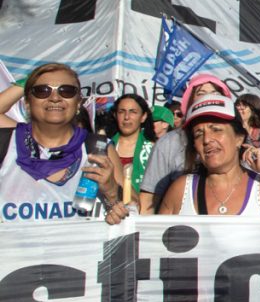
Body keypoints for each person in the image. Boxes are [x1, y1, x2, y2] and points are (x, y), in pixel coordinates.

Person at [136, 95, 260, 219]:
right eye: (199, 134)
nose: (207, 139)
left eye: (217, 130)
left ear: (239, 138)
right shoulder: (180, 190)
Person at [0, 63, 124, 223]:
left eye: (66, 91)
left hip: (80, 247)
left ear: (78, 102)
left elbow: (133, 213)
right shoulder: (7, 143)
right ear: (28, 104)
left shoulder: (97, 147)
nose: (55, 98)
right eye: (42, 91)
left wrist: (112, 192)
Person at [139, 74, 232, 213]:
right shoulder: (169, 143)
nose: (209, 98)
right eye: (201, 93)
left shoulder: (235, 138)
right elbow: (149, 199)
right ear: (190, 103)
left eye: (215, 93)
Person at [110, 93, 157, 200]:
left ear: (143, 117)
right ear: (115, 115)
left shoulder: (154, 150)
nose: (126, 117)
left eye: (133, 112)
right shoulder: (104, 148)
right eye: (121, 112)